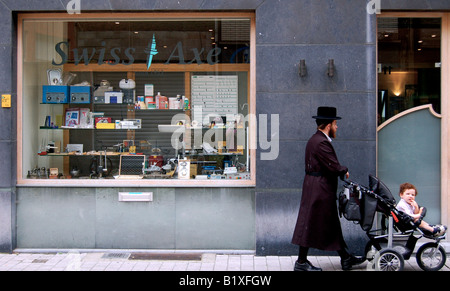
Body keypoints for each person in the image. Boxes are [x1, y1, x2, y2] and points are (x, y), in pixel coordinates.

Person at [291, 106, 364, 271]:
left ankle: (345, 258)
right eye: (335, 123)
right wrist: (343, 170)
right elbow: (332, 165)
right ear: (329, 125)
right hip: (319, 188)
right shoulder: (321, 142)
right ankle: (301, 262)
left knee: (330, 222)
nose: (337, 127)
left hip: (317, 186)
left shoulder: (315, 139)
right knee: (310, 221)